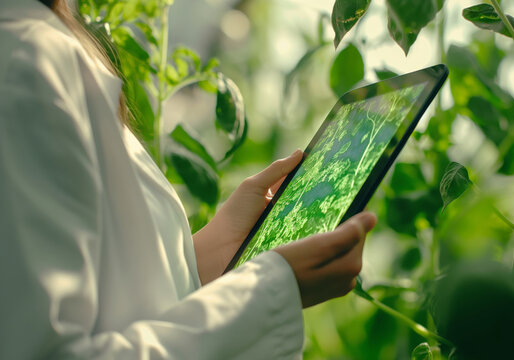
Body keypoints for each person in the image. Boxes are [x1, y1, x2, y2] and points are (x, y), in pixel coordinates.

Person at [0, 0, 377, 358]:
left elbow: (113, 285)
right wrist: (271, 290)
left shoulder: (42, 42)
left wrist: (211, 254)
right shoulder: (21, 64)